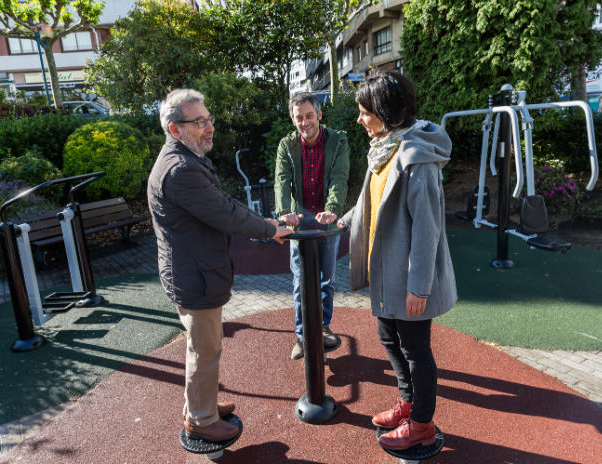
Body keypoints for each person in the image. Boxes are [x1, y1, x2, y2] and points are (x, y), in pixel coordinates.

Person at [147, 89, 292, 442]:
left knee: (203, 346)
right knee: (205, 349)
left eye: (209, 119)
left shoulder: (186, 157)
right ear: (174, 129)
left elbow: (223, 202)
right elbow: (224, 213)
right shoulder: (180, 169)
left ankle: (202, 404)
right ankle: (200, 419)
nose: (209, 127)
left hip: (194, 269)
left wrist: (264, 222)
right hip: (194, 275)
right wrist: (270, 229)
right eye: (199, 122)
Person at [338, 72, 457, 451]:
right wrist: (340, 220)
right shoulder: (384, 149)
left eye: (363, 112)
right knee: (388, 337)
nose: (359, 119)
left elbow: (427, 228)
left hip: (407, 275)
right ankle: (407, 404)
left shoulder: (414, 157)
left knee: (416, 348)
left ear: (384, 112)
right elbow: (369, 200)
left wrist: (418, 286)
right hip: (385, 270)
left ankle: (421, 423)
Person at [274, 92, 350, 360]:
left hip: (326, 216)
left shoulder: (338, 140)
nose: (304, 122)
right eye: (298, 118)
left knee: (326, 277)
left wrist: (333, 208)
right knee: (300, 279)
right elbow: (282, 181)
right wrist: (285, 212)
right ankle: (302, 335)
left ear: (319, 115)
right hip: (300, 215)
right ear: (293, 120)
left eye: (309, 116)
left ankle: (324, 327)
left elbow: (339, 177)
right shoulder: (288, 145)